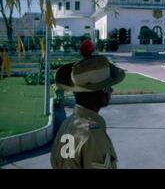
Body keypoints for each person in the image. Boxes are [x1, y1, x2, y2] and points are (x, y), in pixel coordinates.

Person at [50, 41, 125, 169]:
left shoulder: (67, 124)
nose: (111, 91)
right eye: (108, 87)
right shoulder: (92, 134)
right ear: (101, 92)